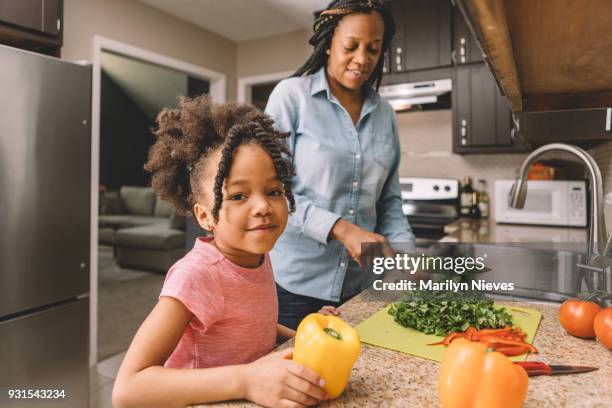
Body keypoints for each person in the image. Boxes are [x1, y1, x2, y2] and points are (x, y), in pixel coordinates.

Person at [112, 96, 330, 408]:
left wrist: (306, 336)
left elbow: (254, 328)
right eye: (239, 195)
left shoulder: (256, 256)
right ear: (205, 216)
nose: (263, 207)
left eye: (273, 191)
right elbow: (128, 389)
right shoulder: (197, 275)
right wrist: (247, 379)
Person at [265, 0, 415, 330]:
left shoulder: (385, 114)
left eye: (373, 49)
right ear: (329, 41)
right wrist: (343, 230)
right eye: (351, 46)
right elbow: (273, 192)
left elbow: (389, 201)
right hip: (296, 287)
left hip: (359, 287)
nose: (362, 60)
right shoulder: (291, 97)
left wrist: (406, 256)